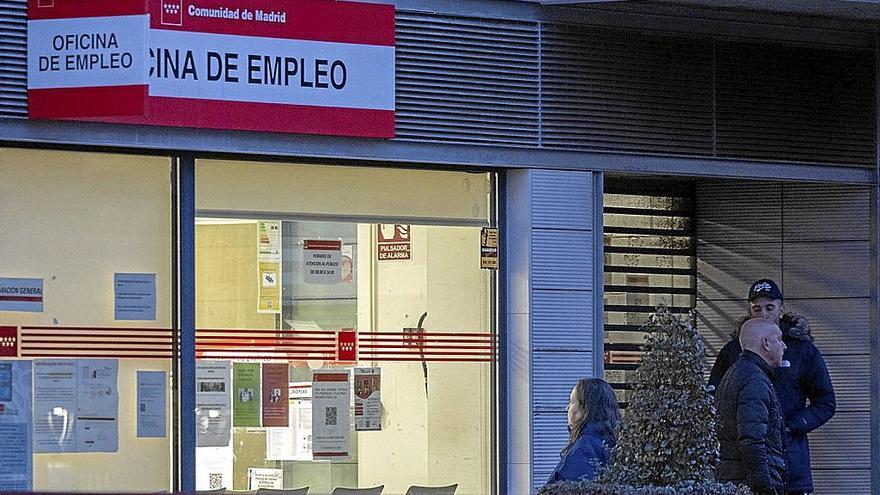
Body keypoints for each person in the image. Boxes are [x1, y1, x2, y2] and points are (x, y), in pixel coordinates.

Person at [708, 279, 835, 495]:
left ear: (781, 309)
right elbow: (713, 398)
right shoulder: (733, 352)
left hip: (791, 461)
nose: (763, 314)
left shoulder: (802, 350)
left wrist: (792, 426)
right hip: (746, 464)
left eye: (769, 308)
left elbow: (825, 402)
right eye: (757, 309)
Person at [716, 318, 787, 494]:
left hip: (735, 480)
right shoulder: (754, 380)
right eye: (779, 339)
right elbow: (752, 442)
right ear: (766, 344)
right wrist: (765, 489)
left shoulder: (738, 373)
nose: (784, 346)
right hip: (748, 484)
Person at [546, 378, 620, 484]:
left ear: (585, 408)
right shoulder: (616, 444)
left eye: (571, 402)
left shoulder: (583, 449)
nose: (567, 408)